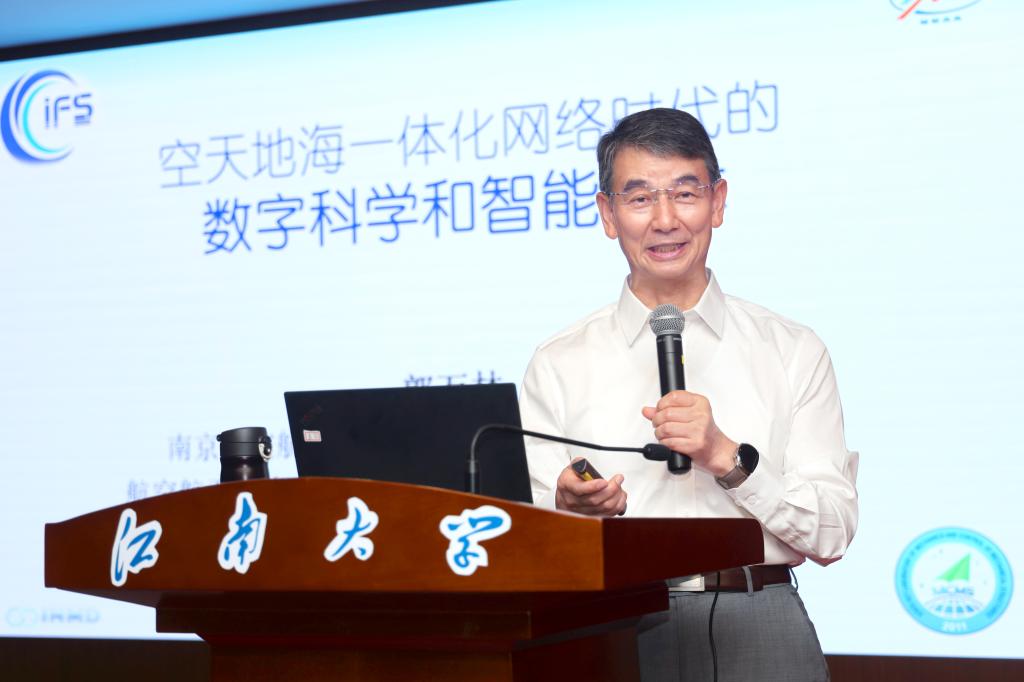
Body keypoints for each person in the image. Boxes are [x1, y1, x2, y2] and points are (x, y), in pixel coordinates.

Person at [519, 107, 858, 682]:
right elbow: (522, 538)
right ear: (608, 214)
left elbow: (832, 533)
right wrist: (569, 510)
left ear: (718, 202)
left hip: (758, 620)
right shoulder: (559, 361)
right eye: (640, 198)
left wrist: (727, 457)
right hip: (610, 625)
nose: (665, 219)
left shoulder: (791, 349)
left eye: (685, 193)